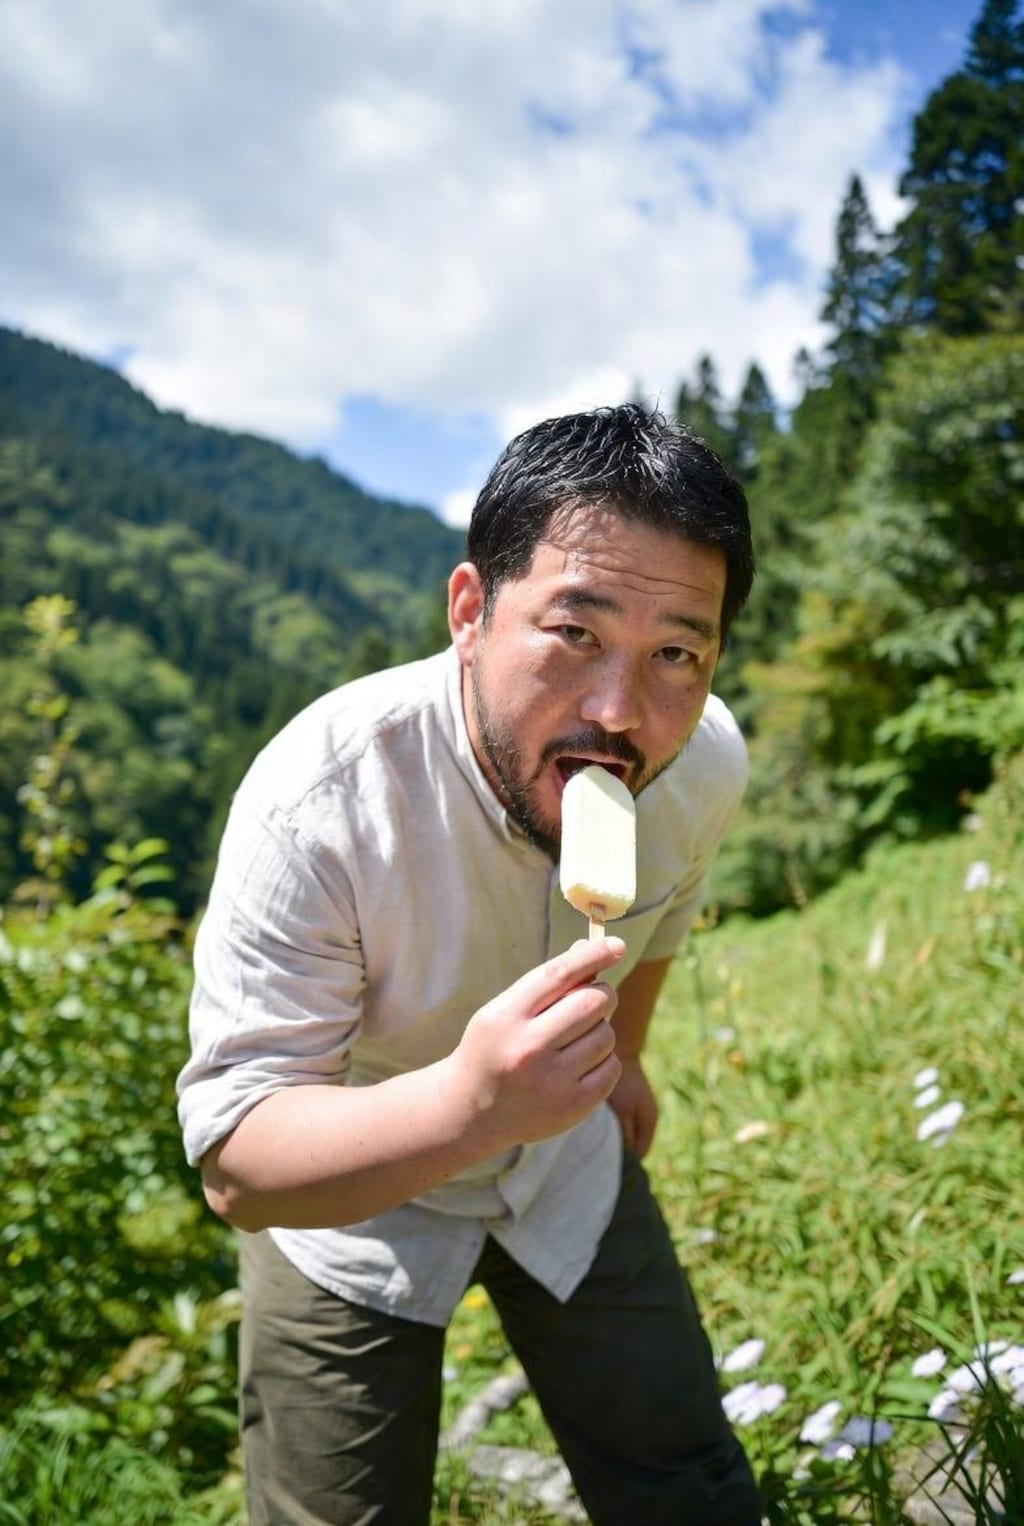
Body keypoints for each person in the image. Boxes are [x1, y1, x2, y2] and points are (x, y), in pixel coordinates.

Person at [177, 402, 762, 1525]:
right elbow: (241, 1162)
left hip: (566, 1168)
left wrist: (622, 1055)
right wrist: (469, 1101)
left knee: (684, 1480)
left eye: (675, 652)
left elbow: (667, 908)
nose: (617, 710)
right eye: (573, 632)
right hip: (349, 1202)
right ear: (468, 612)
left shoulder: (703, 761)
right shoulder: (317, 802)